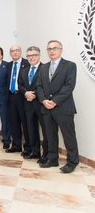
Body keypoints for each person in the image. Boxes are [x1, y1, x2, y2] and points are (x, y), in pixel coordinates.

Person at [36, 40, 79, 173]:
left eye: (55, 48)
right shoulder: (43, 67)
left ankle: (72, 162)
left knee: (68, 136)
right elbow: (39, 86)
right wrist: (43, 100)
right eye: (49, 49)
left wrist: (54, 101)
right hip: (46, 107)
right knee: (50, 135)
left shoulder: (70, 66)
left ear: (61, 50)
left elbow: (69, 87)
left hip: (63, 107)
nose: (52, 51)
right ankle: (52, 159)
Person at [18, 46, 48, 162]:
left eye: (34, 55)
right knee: (31, 129)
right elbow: (20, 85)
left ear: (39, 56)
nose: (31, 58)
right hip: (28, 105)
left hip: (40, 104)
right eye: (29, 56)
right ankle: (35, 152)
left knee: (46, 130)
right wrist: (26, 93)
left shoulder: (45, 68)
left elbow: (46, 86)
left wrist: (33, 94)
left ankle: (46, 154)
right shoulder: (24, 70)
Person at [6, 45, 30, 155]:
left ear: (21, 52)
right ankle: (16, 145)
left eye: (17, 50)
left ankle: (28, 147)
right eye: (12, 51)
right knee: (13, 122)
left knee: (25, 122)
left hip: (22, 97)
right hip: (11, 96)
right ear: (10, 53)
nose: (15, 53)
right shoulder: (9, 65)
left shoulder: (27, 63)